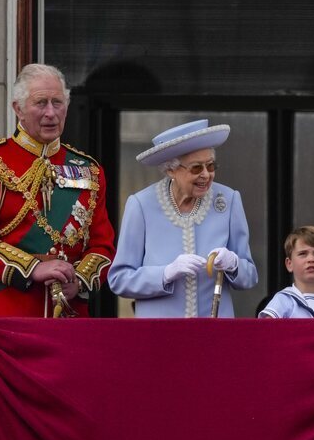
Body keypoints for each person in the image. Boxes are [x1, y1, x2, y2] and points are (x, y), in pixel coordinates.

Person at [0, 63, 116, 316]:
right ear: (18, 109)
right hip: (7, 311)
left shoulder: (90, 170)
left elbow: (103, 246)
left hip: (69, 315)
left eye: (57, 102)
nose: (50, 113)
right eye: (41, 103)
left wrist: (79, 280)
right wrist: (32, 268)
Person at [108, 119, 258, 317]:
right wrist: (165, 273)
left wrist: (234, 264)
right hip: (160, 333)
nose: (206, 175)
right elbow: (119, 279)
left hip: (213, 332)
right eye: (196, 168)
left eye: (211, 166)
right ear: (171, 170)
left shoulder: (228, 200)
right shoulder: (141, 205)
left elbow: (250, 277)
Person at [259, 225, 314, 319]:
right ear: (289, 264)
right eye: (302, 254)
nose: (311, 259)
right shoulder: (283, 300)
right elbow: (267, 330)